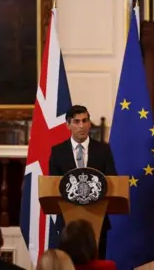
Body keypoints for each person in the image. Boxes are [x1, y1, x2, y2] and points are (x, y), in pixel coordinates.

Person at [49, 105, 117, 259]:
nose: (81, 126)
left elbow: (113, 180)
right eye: (76, 121)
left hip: (97, 220)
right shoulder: (58, 151)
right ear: (68, 125)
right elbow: (52, 185)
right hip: (67, 224)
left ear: (89, 123)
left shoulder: (103, 150)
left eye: (85, 121)